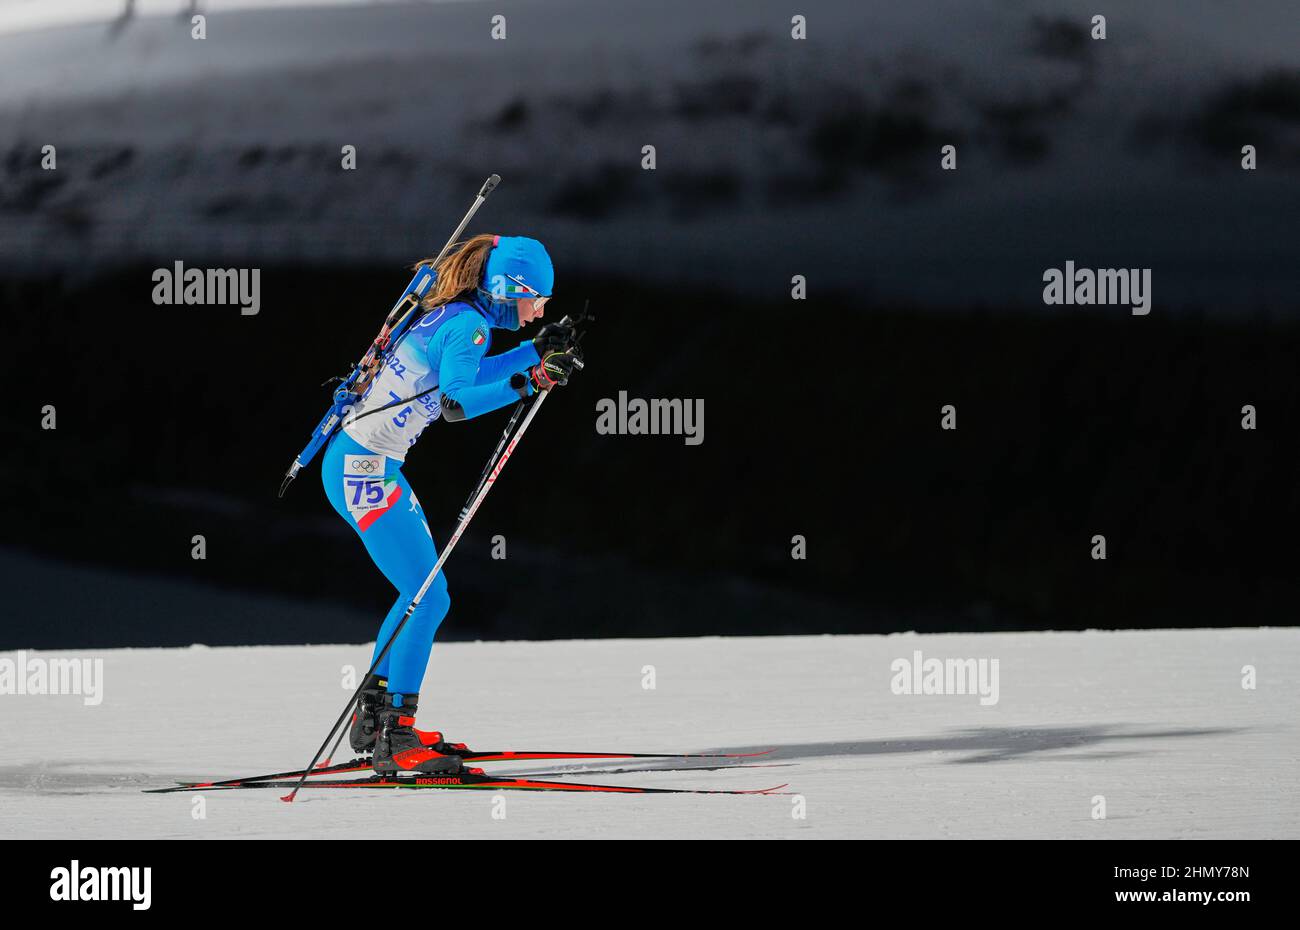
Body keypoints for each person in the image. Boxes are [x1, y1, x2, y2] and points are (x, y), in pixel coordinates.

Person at [320, 234, 580, 773]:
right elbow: (457, 402)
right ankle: (397, 735)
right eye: (540, 300)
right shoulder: (470, 325)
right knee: (427, 597)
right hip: (363, 470)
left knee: (418, 594)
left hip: (359, 463)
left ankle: (376, 718)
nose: (541, 310)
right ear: (512, 289)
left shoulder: (457, 317)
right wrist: (533, 379)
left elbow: (464, 371)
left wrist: (535, 352)